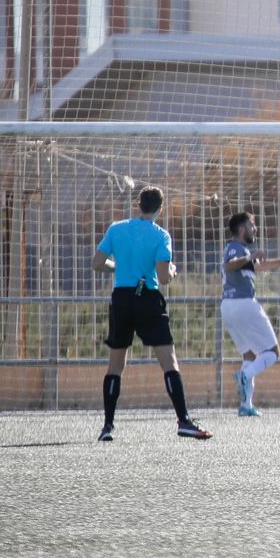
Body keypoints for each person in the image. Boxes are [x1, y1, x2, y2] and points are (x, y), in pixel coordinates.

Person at [92, 186, 210, 441]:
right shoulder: (161, 236)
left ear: (138, 205)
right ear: (160, 209)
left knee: (115, 365)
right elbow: (165, 277)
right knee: (169, 361)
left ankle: (107, 427)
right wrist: (174, 271)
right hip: (147, 297)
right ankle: (183, 421)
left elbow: (97, 263)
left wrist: (118, 267)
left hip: (121, 298)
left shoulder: (116, 228)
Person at [220, 211, 280, 416]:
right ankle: (244, 375)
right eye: (252, 225)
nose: (255, 229)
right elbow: (230, 265)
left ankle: (246, 405)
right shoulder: (236, 248)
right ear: (242, 229)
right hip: (243, 304)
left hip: (228, 307)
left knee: (249, 354)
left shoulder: (241, 253)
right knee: (273, 352)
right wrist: (249, 256)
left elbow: (264, 265)